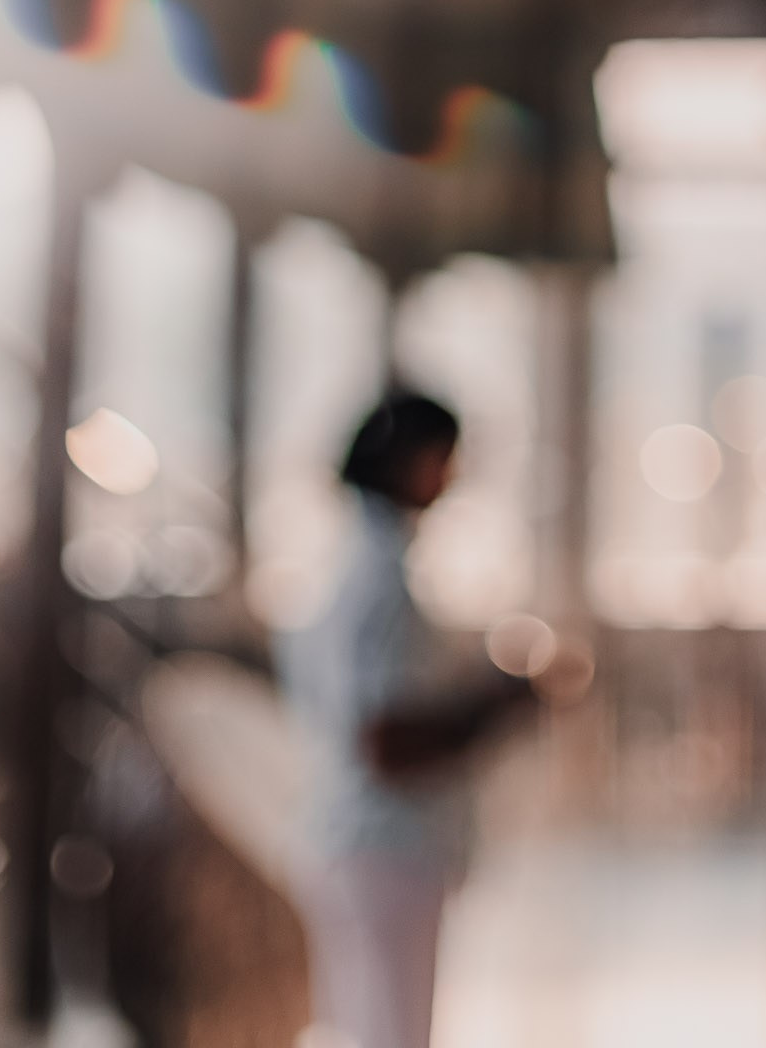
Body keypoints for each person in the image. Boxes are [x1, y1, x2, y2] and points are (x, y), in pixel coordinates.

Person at [281, 390, 531, 1048]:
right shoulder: (377, 582)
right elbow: (384, 742)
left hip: (367, 843)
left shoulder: (358, 570)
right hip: (384, 845)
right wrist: (493, 708)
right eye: (445, 457)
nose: (453, 475)